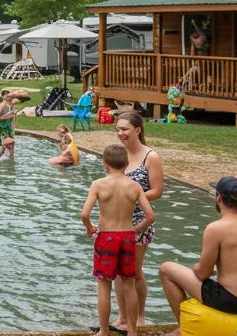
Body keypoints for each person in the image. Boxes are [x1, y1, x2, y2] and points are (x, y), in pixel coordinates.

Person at [158, 177, 237, 335]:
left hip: (233, 302)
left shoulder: (216, 228)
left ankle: (183, 329)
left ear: (219, 198)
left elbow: (203, 273)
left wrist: (194, 268)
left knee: (166, 269)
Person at [81, 144, 155, 336]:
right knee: (129, 283)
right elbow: (150, 216)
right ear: (127, 164)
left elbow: (84, 214)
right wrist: (138, 228)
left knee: (104, 285)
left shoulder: (98, 184)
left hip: (106, 237)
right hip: (128, 236)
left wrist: (90, 228)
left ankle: (104, 331)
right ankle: (132, 331)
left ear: (105, 164)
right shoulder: (135, 186)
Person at [109, 109, 164, 328]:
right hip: (115, 220)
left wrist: (133, 198)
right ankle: (122, 317)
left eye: (124, 129)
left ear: (138, 130)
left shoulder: (151, 157)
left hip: (140, 222)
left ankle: (139, 316)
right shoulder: (118, 153)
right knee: (115, 272)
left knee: (132, 271)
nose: (120, 133)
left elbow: (157, 190)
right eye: (117, 130)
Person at [0, 89, 18, 162]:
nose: (8, 96)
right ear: (3, 97)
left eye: (9, 95)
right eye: (6, 95)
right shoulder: (1, 106)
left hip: (8, 127)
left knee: (11, 146)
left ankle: (11, 161)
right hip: (2, 127)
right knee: (6, 145)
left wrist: (13, 127)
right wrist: (8, 116)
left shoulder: (11, 106)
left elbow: (12, 117)